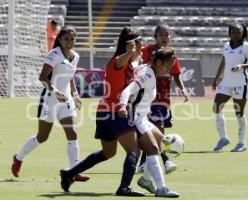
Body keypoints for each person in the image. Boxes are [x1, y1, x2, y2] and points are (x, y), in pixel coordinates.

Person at [59, 27, 145, 196]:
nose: (142, 45)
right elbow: (120, 62)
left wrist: (135, 56)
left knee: (108, 153)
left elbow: (128, 66)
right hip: (115, 112)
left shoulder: (125, 62)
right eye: (139, 42)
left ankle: (69, 174)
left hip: (104, 112)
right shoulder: (119, 60)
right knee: (134, 151)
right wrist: (130, 52)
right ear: (131, 44)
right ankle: (124, 188)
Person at [11, 26, 89, 182]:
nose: (69, 42)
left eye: (72, 39)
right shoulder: (54, 55)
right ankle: (18, 158)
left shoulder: (75, 56)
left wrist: (75, 95)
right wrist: (55, 91)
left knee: (72, 133)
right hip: (49, 99)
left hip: (65, 100)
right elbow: (42, 78)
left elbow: (70, 76)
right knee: (42, 137)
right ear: (59, 39)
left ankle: (74, 171)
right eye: (66, 39)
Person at [119, 47, 180, 198]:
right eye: (167, 66)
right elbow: (127, 90)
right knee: (153, 148)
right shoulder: (147, 75)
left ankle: (146, 179)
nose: (168, 71)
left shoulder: (149, 70)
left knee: (160, 140)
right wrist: (122, 105)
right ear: (158, 62)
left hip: (143, 117)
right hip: (134, 118)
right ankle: (161, 188)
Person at [137, 24, 189, 174]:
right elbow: (142, 68)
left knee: (155, 131)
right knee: (157, 130)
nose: (164, 38)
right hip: (150, 98)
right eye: (161, 35)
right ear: (155, 37)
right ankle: (166, 161)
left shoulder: (171, 53)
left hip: (164, 99)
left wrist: (183, 89)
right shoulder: (147, 51)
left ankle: (143, 164)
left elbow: (177, 73)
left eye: (166, 35)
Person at [212, 23, 248, 152]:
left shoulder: (246, 47)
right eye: (233, 32)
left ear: (243, 33)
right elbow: (223, 62)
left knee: (239, 113)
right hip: (226, 83)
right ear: (229, 33)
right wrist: (216, 79)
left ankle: (242, 143)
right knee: (216, 108)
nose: (235, 34)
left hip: (240, 84)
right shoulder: (226, 46)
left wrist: (241, 66)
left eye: (238, 32)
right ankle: (223, 138)